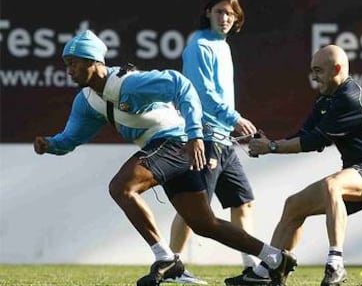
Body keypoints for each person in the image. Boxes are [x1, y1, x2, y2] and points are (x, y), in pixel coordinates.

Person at [34, 30, 298, 286]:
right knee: (203, 223)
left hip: (177, 142)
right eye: (67, 65)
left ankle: (166, 258)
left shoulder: (129, 83)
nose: (69, 70)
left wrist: (195, 135)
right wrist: (51, 144)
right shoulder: (87, 101)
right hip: (171, 147)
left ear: (94, 61)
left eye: (73, 63)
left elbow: (181, 85)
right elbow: (71, 138)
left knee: (121, 187)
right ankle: (275, 258)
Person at [224, 44, 362, 286]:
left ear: (337, 69)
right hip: (358, 170)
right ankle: (270, 270)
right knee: (294, 205)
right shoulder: (326, 99)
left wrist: (270, 148)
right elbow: (304, 133)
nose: (314, 76)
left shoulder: (349, 98)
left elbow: (314, 141)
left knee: (333, 185)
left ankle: (335, 264)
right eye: (312, 70)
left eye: (318, 70)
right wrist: (268, 144)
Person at [167, 0, 260, 284]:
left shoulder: (223, 45)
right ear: (208, 12)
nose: (225, 18)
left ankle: (251, 268)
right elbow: (203, 95)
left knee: (242, 202)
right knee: (193, 208)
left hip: (224, 140)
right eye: (220, 12)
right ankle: (171, 267)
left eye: (231, 14)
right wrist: (235, 118)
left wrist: (231, 125)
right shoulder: (198, 46)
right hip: (204, 138)